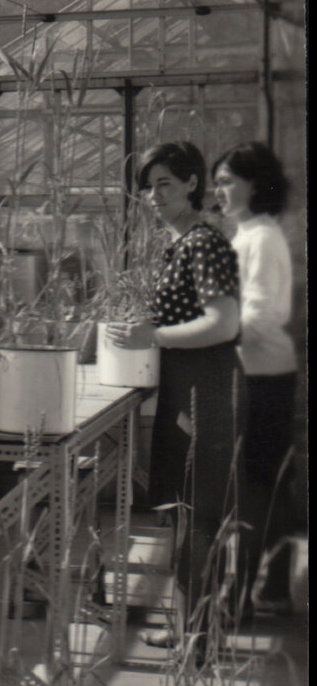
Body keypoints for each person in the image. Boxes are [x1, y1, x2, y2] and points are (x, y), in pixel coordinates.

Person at [105, 141, 243, 647]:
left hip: (204, 389)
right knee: (189, 512)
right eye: (148, 186)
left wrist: (154, 336)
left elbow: (223, 323)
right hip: (187, 385)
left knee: (198, 512)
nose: (153, 195)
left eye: (164, 183)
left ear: (191, 183)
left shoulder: (203, 243)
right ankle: (195, 629)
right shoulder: (183, 244)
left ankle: (198, 640)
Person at [212, 141, 298, 615]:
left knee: (252, 487)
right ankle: (275, 586)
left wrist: (218, 332)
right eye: (217, 182)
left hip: (261, 375)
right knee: (270, 481)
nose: (218, 191)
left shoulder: (260, 238)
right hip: (265, 371)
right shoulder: (249, 235)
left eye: (227, 181)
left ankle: (236, 597)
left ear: (255, 184)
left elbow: (265, 314)